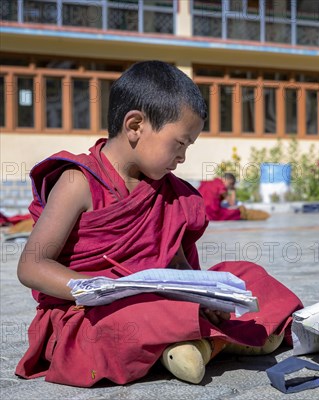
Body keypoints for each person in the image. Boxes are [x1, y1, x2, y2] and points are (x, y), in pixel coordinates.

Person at [15, 61, 302, 387]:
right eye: (179, 144)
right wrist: (98, 288)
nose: (182, 158)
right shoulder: (78, 182)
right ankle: (223, 339)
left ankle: (199, 341)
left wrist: (207, 298)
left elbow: (175, 264)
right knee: (135, 317)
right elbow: (31, 266)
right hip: (89, 311)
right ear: (135, 125)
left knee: (247, 276)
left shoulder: (166, 191)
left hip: (157, 300)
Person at [198, 173, 270, 221]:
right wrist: (232, 190)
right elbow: (231, 202)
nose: (230, 186)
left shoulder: (209, 183)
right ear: (228, 180)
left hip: (198, 213)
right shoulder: (220, 185)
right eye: (231, 184)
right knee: (237, 212)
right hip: (210, 214)